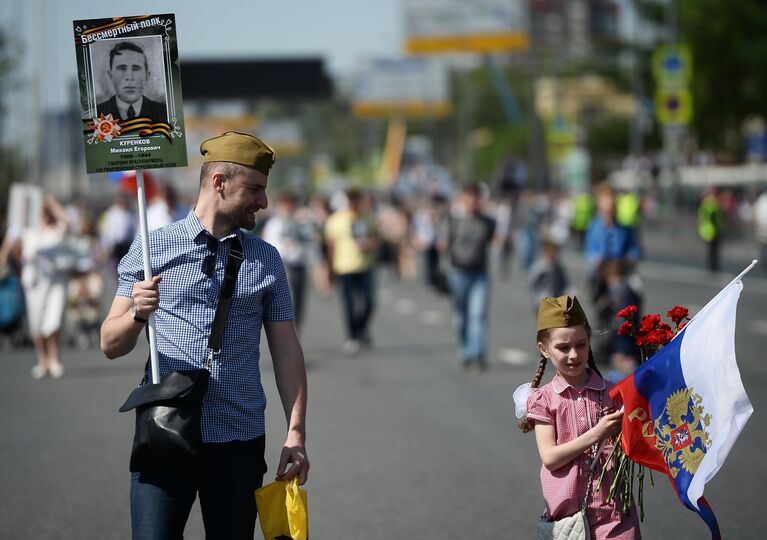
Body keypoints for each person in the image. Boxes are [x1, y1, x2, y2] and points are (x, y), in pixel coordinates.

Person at [100, 131, 309, 539]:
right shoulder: (150, 248)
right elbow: (110, 343)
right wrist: (138, 315)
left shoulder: (267, 259)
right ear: (219, 183)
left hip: (239, 436)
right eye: (254, 189)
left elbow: (286, 350)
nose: (263, 202)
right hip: (165, 431)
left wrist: (296, 432)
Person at [518, 295, 641, 539]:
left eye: (581, 344)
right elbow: (550, 457)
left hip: (615, 513)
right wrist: (597, 433)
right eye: (563, 348)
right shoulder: (544, 399)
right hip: (569, 520)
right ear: (543, 348)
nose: (574, 354)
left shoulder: (612, 392)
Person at [0, 195, 72, 379]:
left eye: (46, 213)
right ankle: (43, 360)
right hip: (34, 282)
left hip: (55, 281)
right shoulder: (27, 230)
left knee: (54, 320)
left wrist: (53, 203)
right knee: (37, 322)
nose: (44, 216)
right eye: (41, 213)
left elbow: (67, 223)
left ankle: (55, 359)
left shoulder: (56, 230)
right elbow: (10, 243)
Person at [440, 184, 496, 371]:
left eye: (476, 197)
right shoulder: (454, 220)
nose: (472, 201)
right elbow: (443, 243)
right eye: (469, 197)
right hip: (458, 273)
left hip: (479, 274)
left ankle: (477, 353)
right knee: (461, 317)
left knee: (477, 314)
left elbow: (495, 240)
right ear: (463, 199)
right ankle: (464, 349)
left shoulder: (487, 221)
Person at [324, 188, 379, 355]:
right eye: (352, 199)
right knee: (349, 304)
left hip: (365, 266)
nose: (355, 203)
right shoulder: (336, 220)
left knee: (369, 302)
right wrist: (329, 269)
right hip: (344, 267)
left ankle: (361, 328)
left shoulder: (367, 217)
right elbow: (331, 246)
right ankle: (352, 336)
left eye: (357, 199)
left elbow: (377, 239)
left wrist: (369, 244)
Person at [97, 41, 167, 123]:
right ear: (110, 75)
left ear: (146, 76)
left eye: (136, 69)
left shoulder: (164, 112)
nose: (129, 77)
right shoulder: (97, 113)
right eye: (121, 68)